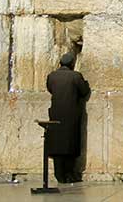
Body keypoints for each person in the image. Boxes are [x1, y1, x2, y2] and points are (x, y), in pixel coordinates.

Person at [46, 52, 91, 184]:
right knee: (70, 145)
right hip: (71, 115)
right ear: (72, 64)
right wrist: (86, 83)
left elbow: (50, 89)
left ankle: (59, 175)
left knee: (57, 144)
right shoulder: (75, 76)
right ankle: (70, 174)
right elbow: (84, 91)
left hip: (55, 114)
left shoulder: (52, 76)